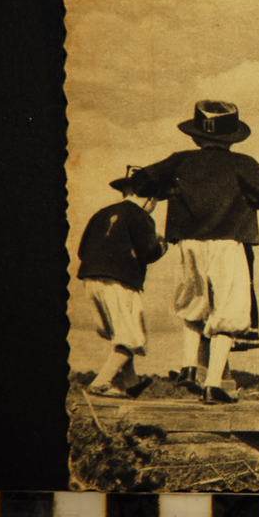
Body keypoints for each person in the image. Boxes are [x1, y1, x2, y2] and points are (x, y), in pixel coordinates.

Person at [128, 100, 259, 404]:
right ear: (233, 137)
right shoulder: (243, 164)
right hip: (228, 242)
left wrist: (169, 190)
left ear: (196, 136)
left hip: (188, 242)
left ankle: (189, 367)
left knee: (192, 305)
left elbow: (141, 181)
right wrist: (250, 198)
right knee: (229, 311)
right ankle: (214, 382)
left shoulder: (180, 161)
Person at [77, 166, 167, 398]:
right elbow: (148, 252)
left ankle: (131, 382)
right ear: (150, 199)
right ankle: (101, 382)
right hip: (121, 280)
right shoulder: (141, 216)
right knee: (131, 337)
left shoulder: (102, 213)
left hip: (90, 277)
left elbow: (81, 250)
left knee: (120, 331)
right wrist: (161, 247)